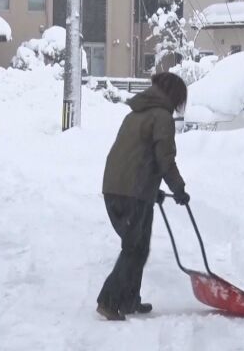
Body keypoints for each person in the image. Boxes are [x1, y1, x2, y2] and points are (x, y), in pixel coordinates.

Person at [97, 72, 190, 321]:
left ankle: (128, 300)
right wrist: (178, 188)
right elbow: (165, 159)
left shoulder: (137, 113)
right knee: (134, 248)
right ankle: (109, 301)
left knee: (139, 247)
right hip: (132, 192)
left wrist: (153, 189)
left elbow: (135, 157)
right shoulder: (161, 117)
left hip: (119, 188)